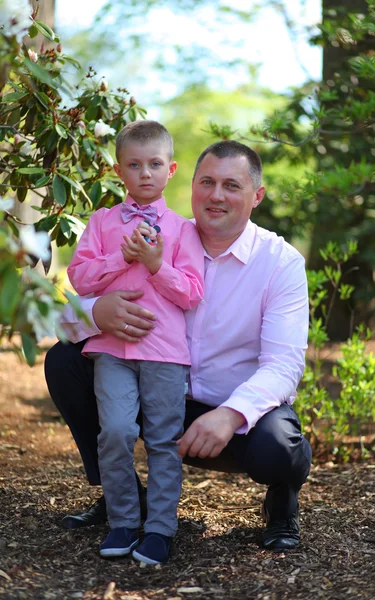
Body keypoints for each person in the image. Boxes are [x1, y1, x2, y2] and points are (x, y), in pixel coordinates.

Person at [45, 139, 312, 556]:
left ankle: (281, 503)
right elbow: (63, 318)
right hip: (162, 393)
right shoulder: (161, 234)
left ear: (256, 196)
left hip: (230, 417)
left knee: (278, 446)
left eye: (231, 186)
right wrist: (98, 313)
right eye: (206, 182)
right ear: (189, 185)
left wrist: (229, 414)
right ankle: (124, 496)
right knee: (64, 360)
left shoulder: (281, 262)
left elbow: (284, 365)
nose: (216, 195)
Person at [65, 120, 204, 565]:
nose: (145, 173)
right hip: (112, 351)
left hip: (164, 354)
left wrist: (156, 264)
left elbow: (191, 291)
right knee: (117, 432)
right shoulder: (102, 222)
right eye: (134, 164)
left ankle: (160, 528)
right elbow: (79, 278)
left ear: (171, 169)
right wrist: (118, 257)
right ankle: (123, 520)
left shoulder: (184, 230)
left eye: (155, 164)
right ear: (118, 170)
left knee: (164, 440)